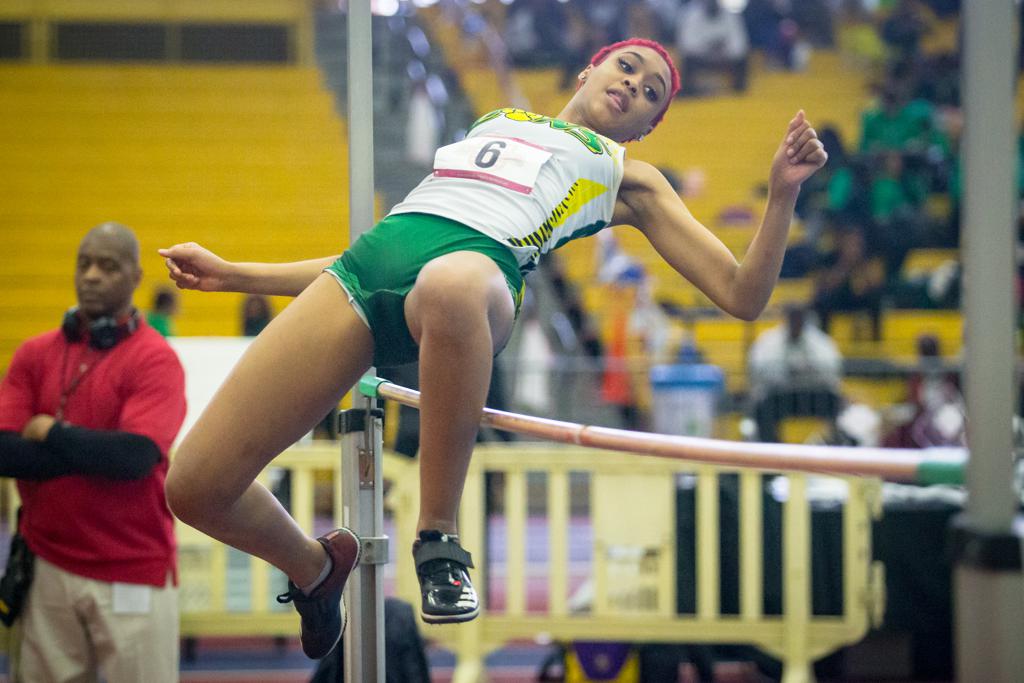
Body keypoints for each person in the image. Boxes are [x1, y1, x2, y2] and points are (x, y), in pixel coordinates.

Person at [157, 38, 827, 659]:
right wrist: (234, 273)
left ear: (646, 129)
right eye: (627, 67)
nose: (634, 86)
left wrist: (781, 193)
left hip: (476, 281)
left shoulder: (629, 177)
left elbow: (742, 295)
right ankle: (314, 567)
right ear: (587, 70)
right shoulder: (494, 120)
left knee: (450, 282)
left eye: (653, 93)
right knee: (193, 486)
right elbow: (398, 240)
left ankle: (439, 538)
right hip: (368, 273)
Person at [0, 222, 187, 682]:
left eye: (108, 266)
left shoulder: (154, 359)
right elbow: (5, 453)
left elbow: (135, 458)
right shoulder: (34, 353)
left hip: (133, 568)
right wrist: (91, 451)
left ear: (136, 278)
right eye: (84, 264)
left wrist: (48, 432)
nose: (91, 276)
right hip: (46, 564)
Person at [746, 303, 843, 443]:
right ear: (786, 319)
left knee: (836, 402)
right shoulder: (769, 341)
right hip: (779, 396)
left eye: (799, 319)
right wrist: (786, 372)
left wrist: (809, 370)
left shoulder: (820, 341)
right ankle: (771, 448)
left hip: (815, 396)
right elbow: (758, 370)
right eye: (793, 319)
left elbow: (833, 370)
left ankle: (834, 445)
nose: (796, 323)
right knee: (762, 406)